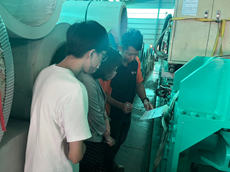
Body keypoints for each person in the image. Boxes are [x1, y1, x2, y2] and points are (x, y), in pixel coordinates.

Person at [24, 21, 109, 172]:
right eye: (102, 57)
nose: (100, 64)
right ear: (91, 53)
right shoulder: (75, 89)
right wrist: (82, 144)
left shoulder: (45, 73)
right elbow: (75, 156)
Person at [100, 29, 154, 171]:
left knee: (120, 141)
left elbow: (139, 83)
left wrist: (145, 100)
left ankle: (111, 163)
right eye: (129, 54)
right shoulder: (111, 65)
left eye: (135, 54)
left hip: (127, 113)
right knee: (109, 144)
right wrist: (120, 105)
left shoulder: (135, 62)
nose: (132, 57)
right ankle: (107, 167)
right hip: (111, 114)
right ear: (120, 48)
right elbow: (102, 94)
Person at [77, 47, 122, 172]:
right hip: (91, 140)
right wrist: (107, 136)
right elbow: (94, 114)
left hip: (96, 134)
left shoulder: (94, 79)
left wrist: (106, 118)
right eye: (113, 69)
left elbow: (100, 106)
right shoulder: (88, 82)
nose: (115, 72)